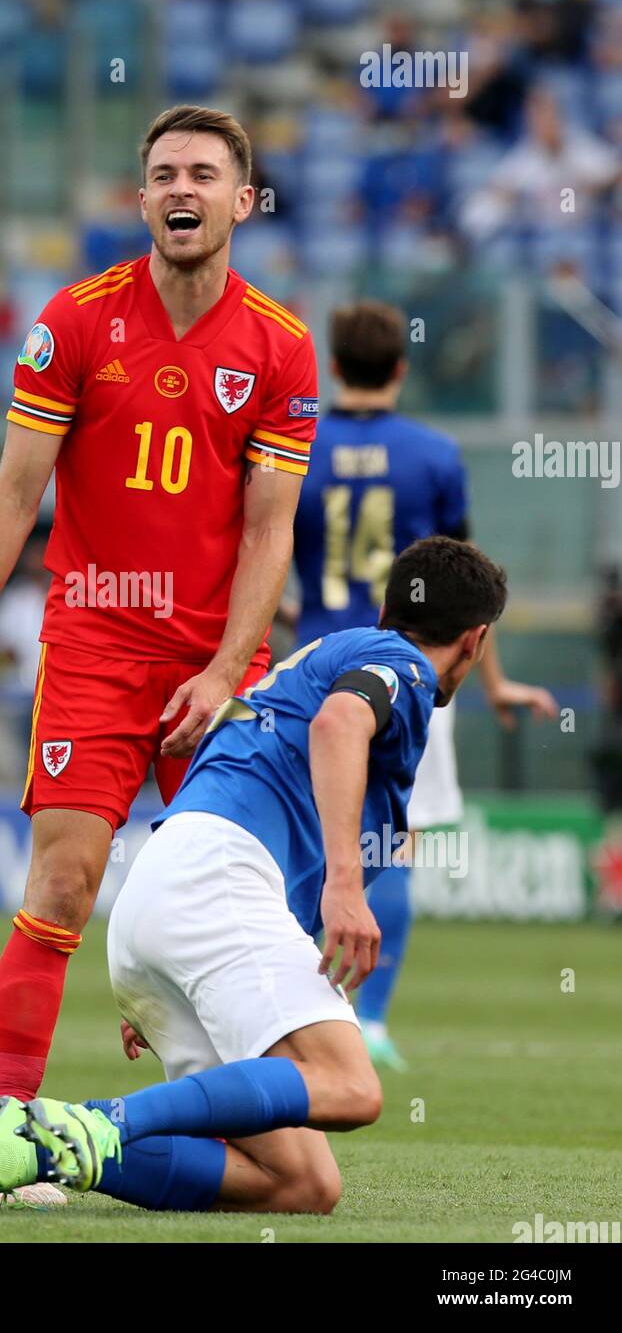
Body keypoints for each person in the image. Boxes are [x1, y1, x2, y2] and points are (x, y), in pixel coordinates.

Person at [0, 105, 319, 1122]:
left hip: (217, 663)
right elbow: (13, 496)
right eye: (164, 175)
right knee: (61, 883)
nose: (182, 189)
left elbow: (270, 532)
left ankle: (247, 1131)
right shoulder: (74, 320)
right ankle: (6, 1132)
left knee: (235, 909)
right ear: (141, 199)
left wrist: (227, 670)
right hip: (92, 641)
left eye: (203, 174)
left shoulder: (280, 348)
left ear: (242, 199)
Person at [0, 537, 508, 1212]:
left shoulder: (319, 660)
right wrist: (345, 887)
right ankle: (97, 1122)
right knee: (352, 1088)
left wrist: (174, 975)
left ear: (388, 606)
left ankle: (41, 1146)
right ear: (473, 643)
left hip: (168, 900)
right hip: (215, 890)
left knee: (302, 1184)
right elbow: (339, 725)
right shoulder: (400, 665)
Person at [289, 300, 557, 1068]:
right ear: (401, 368)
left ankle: (289, 1006)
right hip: (411, 672)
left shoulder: (299, 445)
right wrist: (495, 685)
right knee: (388, 845)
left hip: (317, 670)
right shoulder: (434, 455)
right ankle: (366, 1021)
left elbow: (265, 552)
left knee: (306, 841)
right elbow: (468, 591)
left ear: (333, 366)